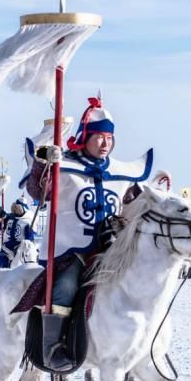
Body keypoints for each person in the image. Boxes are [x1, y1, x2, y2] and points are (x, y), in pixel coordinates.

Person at [26, 97, 155, 314]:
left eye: (110, 138)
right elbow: (38, 191)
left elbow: (136, 207)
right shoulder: (63, 165)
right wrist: (44, 161)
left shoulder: (122, 173)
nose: (106, 144)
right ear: (85, 137)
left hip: (113, 249)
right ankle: (52, 345)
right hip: (71, 252)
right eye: (99, 138)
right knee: (65, 289)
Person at [0, 198, 36, 268]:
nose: (16, 209)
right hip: (7, 247)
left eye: (18, 207)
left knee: (18, 266)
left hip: (19, 248)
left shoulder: (27, 221)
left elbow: (29, 238)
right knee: (1, 262)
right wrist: (0, 218)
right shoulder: (10, 217)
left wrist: (29, 237)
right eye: (15, 207)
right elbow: (0, 227)